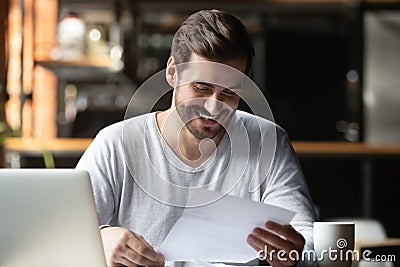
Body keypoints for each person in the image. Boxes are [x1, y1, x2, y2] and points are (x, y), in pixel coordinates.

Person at [76, 9, 317, 267]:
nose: (214, 108)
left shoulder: (268, 141)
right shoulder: (115, 144)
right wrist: (98, 241)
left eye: (229, 93)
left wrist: (295, 256)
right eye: (201, 88)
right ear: (172, 73)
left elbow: (309, 241)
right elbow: (62, 238)